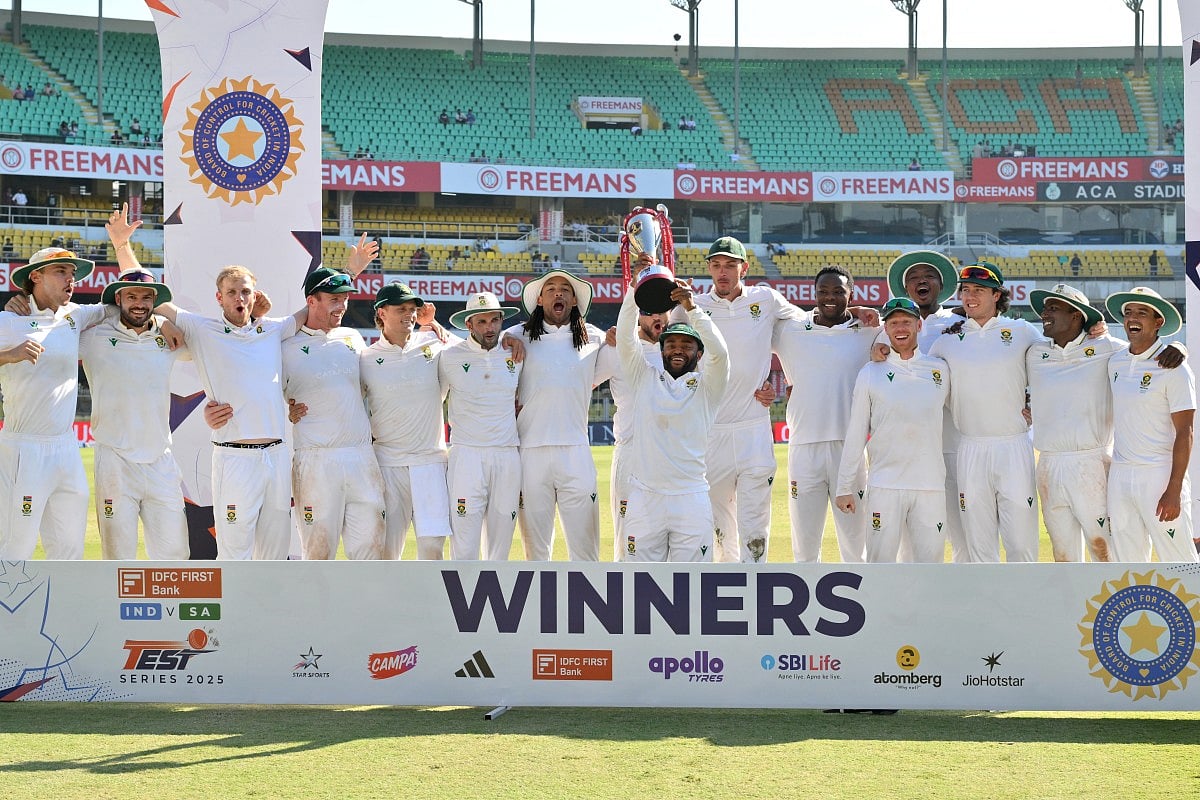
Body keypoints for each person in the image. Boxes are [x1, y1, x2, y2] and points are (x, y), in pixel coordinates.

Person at [148, 225, 377, 560]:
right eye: (232, 292)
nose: (239, 298)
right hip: (233, 456)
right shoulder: (201, 329)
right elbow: (147, 301)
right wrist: (163, 323)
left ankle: (268, 613)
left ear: (255, 297)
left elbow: (317, 307)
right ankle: (234, 613)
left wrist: (350, 270)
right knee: (234, 551)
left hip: (277, 457)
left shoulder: (274, 329)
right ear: (219, 298)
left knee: (274, 553)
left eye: (245, 292)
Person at [1025, 283, 1184, 562]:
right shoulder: (1034, 353)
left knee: (1106, 552)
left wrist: (1180, 347)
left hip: (1092, 461)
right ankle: (1072, 606)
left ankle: (1113, 606)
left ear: (1077, 316)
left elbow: (1147, 351)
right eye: (1045, 308)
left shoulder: (1109, 348)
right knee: (1062, 555)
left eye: (1053, 307)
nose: (1044, 313)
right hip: (1048, 463)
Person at [681, 236, 810, 563]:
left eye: (730, 265)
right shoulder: (692, 307)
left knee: (755, 524)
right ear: (709, 268)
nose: (723, 273)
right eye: (716, 265)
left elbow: (808, 327)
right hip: (712, 431)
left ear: (745, 268)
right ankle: (725, 594)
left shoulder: (765, 299)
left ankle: (756, 588)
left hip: (754, 426)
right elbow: (663, 347)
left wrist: (778, 385)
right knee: (720, 527)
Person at [0, 248, 112, 559]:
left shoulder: (75, 315)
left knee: (70, 550)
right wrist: (10, 355)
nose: (71, 279)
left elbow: (126, 303)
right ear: (35, 276)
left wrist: (166, 322)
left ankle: (66, 608)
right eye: (61, 271)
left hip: (66, 449)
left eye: (72, 274)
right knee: (14, 548)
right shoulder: (9, 321)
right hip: (23, 448)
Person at [927, 262, 1040, 562]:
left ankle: (1026, 607)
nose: (970, 296)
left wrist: (1037, 405)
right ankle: (987, 607)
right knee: (979, 544)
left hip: (1013, 445)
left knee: (1021, 542)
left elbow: (1057, 365)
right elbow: (916, 376)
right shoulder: (946, 341)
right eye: (965, 290)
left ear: (997, 295)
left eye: (979, 290)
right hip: (971, 447)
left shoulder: (1022, 331)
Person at [80, 260, 190, 560]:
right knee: (118, 555)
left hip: (160, 459)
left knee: (175, 553)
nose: (139, 304)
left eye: (146, 297)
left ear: (155, 301)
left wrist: (165, 321)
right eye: (131, 296)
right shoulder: (92, 336)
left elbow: (217, 348)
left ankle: (170, 607)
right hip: (114, 459)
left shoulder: (169, 338)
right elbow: (50, 330)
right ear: (118, 299)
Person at [617, 278, 728, 562]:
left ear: (698, 353)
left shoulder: (708, 388)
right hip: (645, 497)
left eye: (687, 345)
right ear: (661, 350)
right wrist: (635, 288)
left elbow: (721, 353)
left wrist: (691, 308)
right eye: (672, 344)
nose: (678, 349)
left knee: (692, 587)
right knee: (638, 584)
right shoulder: (644, 377)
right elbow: (625, 339)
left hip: (690, 498)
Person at [280, 266, 386, 560]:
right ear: (311, 302)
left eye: (345, 299)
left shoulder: (352, 337)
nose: (341, 307)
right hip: (316, 458)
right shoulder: (286, 346)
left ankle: (365, 607)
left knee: (370, 550)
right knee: (317, 552)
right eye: (333, 300)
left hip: (361, 456)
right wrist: (287, 408)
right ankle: (315, 607)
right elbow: (268, 393)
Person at [774, 265, 877, 562]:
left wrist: (866, 313)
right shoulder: (790, 329)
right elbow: (749, 342)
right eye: (823, 292)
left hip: (850, 450)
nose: (829, 298)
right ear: (813, 293)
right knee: (804, 547)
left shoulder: (869, 330)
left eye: (838, 292)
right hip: (804, 447)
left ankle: (864, 604)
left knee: (856, 546)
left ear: (851, 294)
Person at [836, 297, 950, 563]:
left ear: (919, 325)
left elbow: (963, 413)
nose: (901, 328)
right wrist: (844, 487)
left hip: (929, 485)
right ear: (885, 329)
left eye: (906, 322)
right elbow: (856, 432)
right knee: (880, 567)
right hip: (885, 484)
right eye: (894, 322)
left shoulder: (939, 370)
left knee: (930, 568)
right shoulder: (870, 372)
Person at [508, 270, 611, 561]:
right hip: (530, 452)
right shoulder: (516, 335)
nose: (558, 293)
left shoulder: (594, 337)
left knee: (586, 551)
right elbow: (480, 349)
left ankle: (588, 606)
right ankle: (541, 607)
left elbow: (612, 369)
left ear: (575, 300)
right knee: (537, 554)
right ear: (539, 299)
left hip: (575, 451)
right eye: (550, 288)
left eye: (565, 289)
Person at [361, 283, 456, 560]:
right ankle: (389, 604)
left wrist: (434, 323)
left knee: (432, 550)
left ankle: (429, 604)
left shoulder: (434, 345)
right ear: (381, 313)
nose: (410, 315)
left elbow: (473, 352)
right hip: (388, 465)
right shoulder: (365, 358)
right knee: (388, 552)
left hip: (430, 462)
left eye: (413, 309)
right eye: (401, 309)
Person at [1104, 287, 1199, 562]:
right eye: (1129, 312)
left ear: (1159, 323)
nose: (1133, 318)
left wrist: (1174, 488)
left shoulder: (1175, 367)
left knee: (1180, 562)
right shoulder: (1116, 361)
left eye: (1142, 313)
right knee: (1128, 564)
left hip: (1159, 475)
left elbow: (1186, 431)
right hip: (1121, 475)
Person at [886, 250, 967, 561]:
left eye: (928, 276)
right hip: (910, 448)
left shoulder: (963, 320)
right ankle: (910, 604)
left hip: (956, 444)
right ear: (905, 289)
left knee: (965, 533)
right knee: (911, 541)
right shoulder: (889, 325)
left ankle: (967, 600)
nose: (921, 281)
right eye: (913, 278)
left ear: (941, 284)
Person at [440, 292, 523, 560]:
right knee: (464, 545)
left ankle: (494, 601)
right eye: (482, 322)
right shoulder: (449, 357)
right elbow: (433, 401)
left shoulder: (515, 352)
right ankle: (461, 599)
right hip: (467, 455)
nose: (489, 328)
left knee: (500, 547)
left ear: (501, 321)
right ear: (469, 325)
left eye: (494, 321)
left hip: (506, 453)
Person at [595, 263, 669, 560]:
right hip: (630, 451)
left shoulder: (681, 349)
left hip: (671, 454)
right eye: (649, 311)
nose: (656, 317)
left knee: (670, 536)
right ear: (637, 313)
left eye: (661, 310)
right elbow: (581, 382)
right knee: (628, 539)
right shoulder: (617, 348)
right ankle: (624, 605)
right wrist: (603, 340)